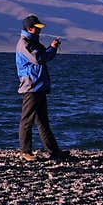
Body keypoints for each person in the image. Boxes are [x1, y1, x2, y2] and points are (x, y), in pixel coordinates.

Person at [15, 14, 70, 161]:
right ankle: (25, 151)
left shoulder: (33, 42)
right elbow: (38, 59)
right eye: (37, 28)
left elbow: (43, 56)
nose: (39, 31)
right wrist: (51, 49)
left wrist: (52, 49)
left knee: (43, 121)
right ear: (29, 28)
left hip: (38, 86)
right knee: (27, 120)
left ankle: (54, 151)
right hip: (31, 86)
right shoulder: (25, 44)